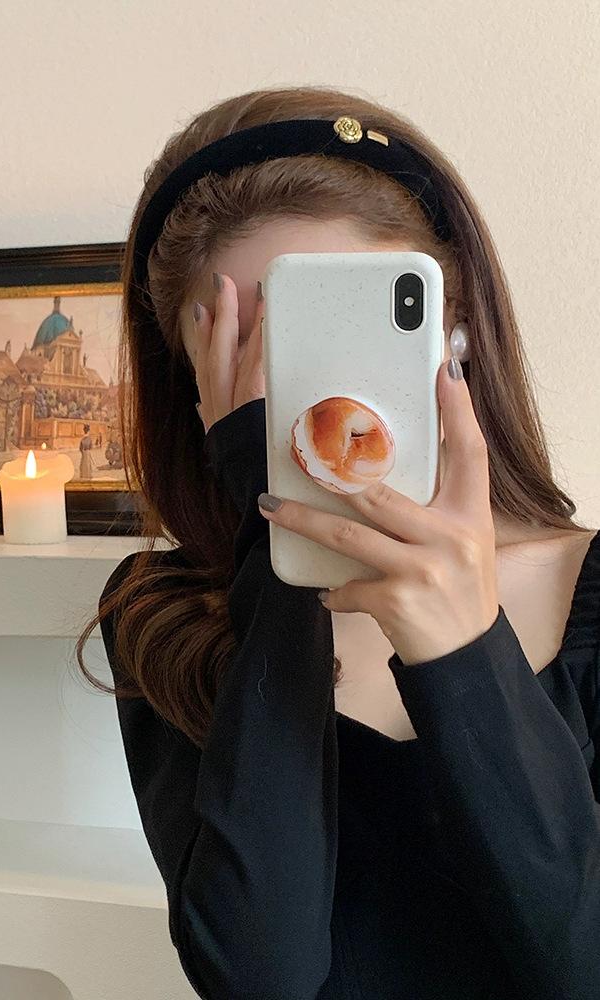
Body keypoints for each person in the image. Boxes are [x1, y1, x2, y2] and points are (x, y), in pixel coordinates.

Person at [74, 86, 600, 999]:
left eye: (341, 329)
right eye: (257, 356)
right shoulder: (162, 617)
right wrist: (276, 547)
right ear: (198, 387)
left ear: (453, 329)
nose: (318, 401)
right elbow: (261, 975)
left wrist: (464, 649)